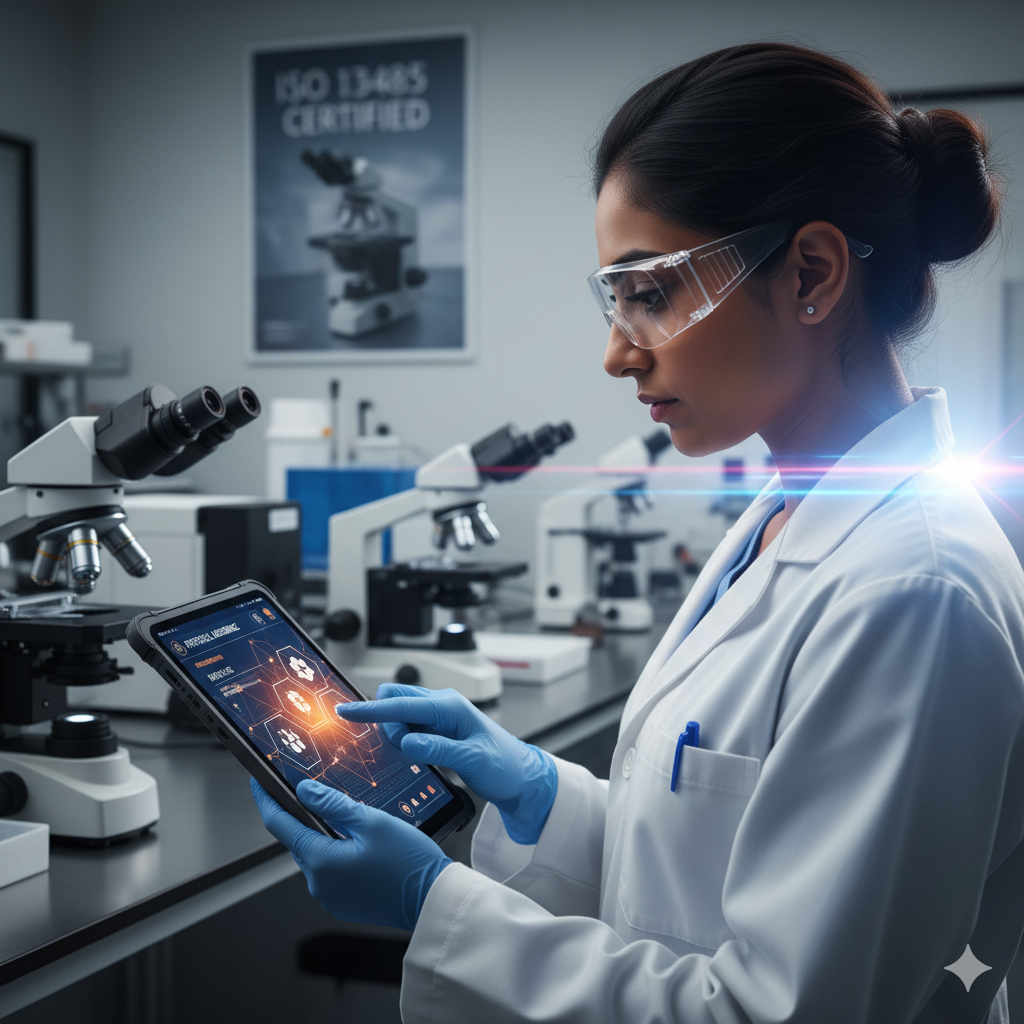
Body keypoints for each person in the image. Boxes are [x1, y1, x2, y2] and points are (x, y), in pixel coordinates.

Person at [252, 42, 1024, 1023]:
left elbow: (769, 1011)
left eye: (648, 293)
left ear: (812, 276)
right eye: (614, 298)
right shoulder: (789, 512)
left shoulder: (914, 592)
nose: (618, 352)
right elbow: (712, 862)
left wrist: (433, 902)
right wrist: (540, 796)